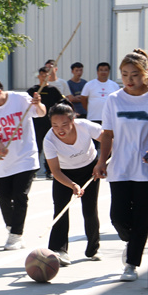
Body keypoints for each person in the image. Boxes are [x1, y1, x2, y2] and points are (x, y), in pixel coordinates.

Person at [93, 49, 148, 282]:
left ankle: (131, 263)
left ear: (145, 74)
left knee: (141, 218)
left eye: (135, 75)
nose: (130, 79)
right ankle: (132, 241)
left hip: (147, 169)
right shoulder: (114, 99)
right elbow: (107, 134)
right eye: (125, 74)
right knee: (117, 217)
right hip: (119, 167)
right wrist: (101, 161)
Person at [0, 72, 45, 250]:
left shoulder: (20, 99)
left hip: (25, 156)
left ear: (0, 91)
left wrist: (38, 104)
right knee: (4, 198)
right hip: (3, 161)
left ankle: (16, 235)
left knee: (20, 196)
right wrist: (0, 145)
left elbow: (40, 113)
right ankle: (13, 226)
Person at [43, 102, 103, 266]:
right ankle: (58, 250)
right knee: (61, 209)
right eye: (55, 125)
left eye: (64, 124)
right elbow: (55, 171)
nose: (59, 129)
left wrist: (102, 163)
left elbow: (107, 138)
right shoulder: (49, 140)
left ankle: (93, 249)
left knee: (90, 209)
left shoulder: (85, 126)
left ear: (73, 120)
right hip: (64, 173)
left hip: (90, 168)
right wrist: (73, 185)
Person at [28, 67, 65, 179]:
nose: (44, 77)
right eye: (42, 75)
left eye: (46, 75)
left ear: (49, 76)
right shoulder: (33, 90)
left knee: (50, 147)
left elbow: (62, 102)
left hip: (50, 123)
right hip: (36, 123)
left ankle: (50, 171)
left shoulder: (53, 90)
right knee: (36, 147)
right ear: (39, 76)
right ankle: (32, 171)